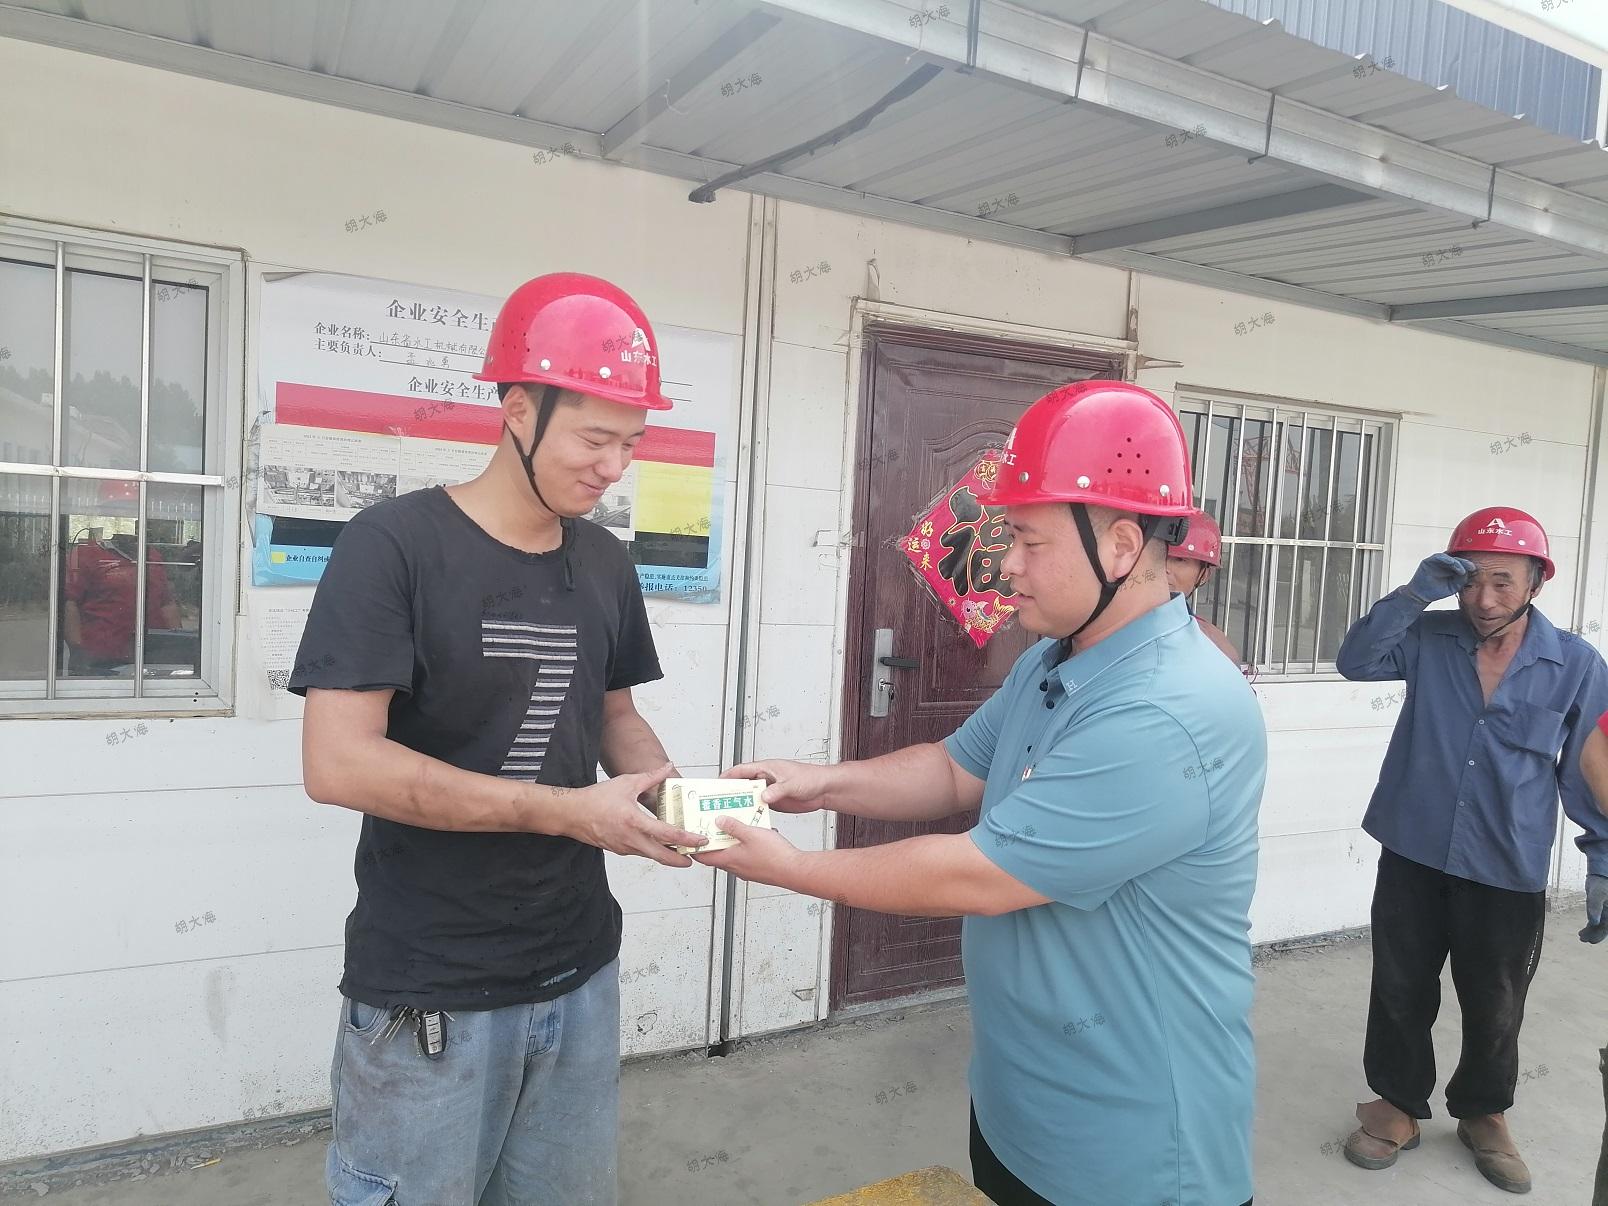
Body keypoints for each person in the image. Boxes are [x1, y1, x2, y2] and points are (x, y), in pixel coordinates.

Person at [701, 381, 1266, 1206]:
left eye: (1030, 541)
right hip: (1024, 1101)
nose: (1005, 565)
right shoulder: (1057, 657)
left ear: (1119, 546)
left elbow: (982, 875)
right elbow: (953, 769)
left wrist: (787, 868)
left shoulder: (1169, 711)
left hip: (1131, 1145)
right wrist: (818, 784)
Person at [291, 273, 706, 1206]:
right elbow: (338, 762)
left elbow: (613, 716)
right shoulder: (392, 545)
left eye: (631, 443)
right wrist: (566, 812)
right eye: (593, 439)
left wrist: (679, 801)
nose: (614, 467)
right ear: (518, 410)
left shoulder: (604, 560)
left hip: (579, 967)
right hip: (431, 987)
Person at [1335, 507, 1608, 1196]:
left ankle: (1484, 1113)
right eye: (1470, 581)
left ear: (1536, 583)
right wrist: (1413, 594)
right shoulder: (1428, 635)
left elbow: (1589, 764)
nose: (1483, 599)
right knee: (1400, 987)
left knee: (1497, 1000)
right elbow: (1355, 660)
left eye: (1503, 582)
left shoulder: (1575, 664)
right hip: (1414, 845)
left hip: (1506, 860)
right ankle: (1397, 1105)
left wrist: (1602, 853)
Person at [62, 528, 181, 673]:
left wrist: (179, 644)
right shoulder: (86, 554)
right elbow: (69, 604)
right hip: (101, 661)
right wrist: (78, 651)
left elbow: (166, 603)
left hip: (153, 656)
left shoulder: (153, 556)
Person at [1164, 507, 1243, 665]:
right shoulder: (1116, 621)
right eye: (1159, 556)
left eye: (1179, 560)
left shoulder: (1217, 648)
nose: (1165, 567)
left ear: (1204, 575)